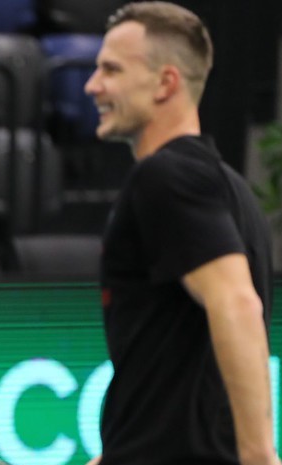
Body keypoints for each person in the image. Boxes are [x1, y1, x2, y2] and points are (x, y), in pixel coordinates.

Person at [83, 2, 279, 465]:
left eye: (112, 69)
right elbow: (181, 378)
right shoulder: (230, 188)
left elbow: (237, 304)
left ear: (165, 83)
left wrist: (260, 456)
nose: (92, 85)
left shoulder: (167, 177)